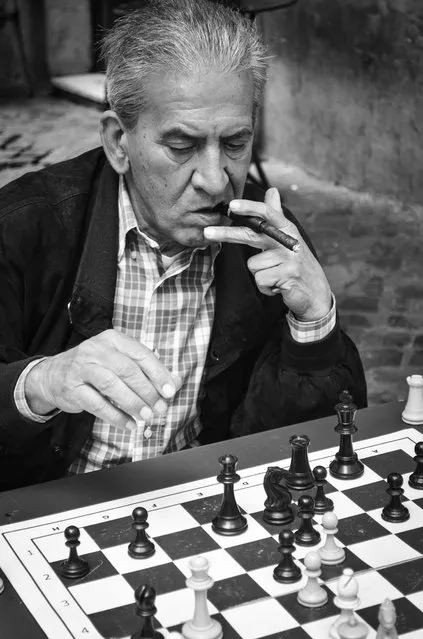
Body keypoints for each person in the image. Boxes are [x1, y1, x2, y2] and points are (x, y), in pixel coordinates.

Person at [0, 0, 366, 491]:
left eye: (235, 143)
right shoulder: (26, 225)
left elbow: (305, 445)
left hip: (200, 512)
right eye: (182, 146)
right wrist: (39, 383)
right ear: (117, 142)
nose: (216, 182)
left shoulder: (267, 237)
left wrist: (315, 325)